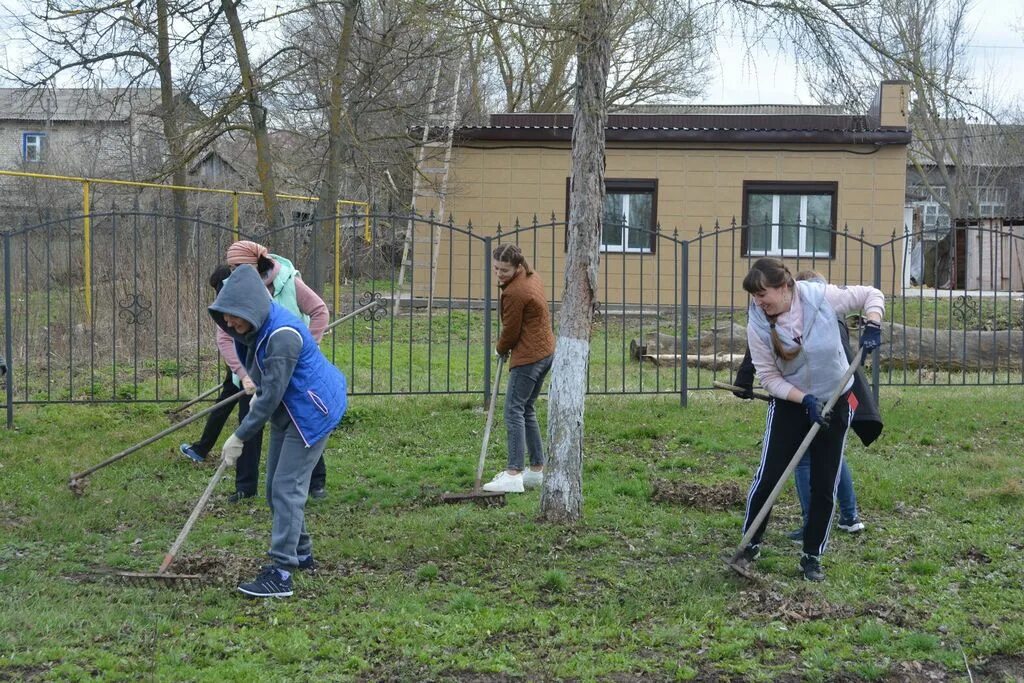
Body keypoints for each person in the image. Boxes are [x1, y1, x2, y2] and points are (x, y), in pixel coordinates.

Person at [735, 257, 884, 582]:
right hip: (791, 404)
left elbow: (872, 294)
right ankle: (750, 545)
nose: (759, 302)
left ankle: (812, 556)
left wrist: (873, 323)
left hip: (836, 400)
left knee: (823, 482)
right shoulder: (758, 323)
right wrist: (804, 400)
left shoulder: (819, 297)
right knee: (770, 476)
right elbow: (769, 377)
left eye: (763, 294)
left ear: (786, 287)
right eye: (755, 296)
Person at [210, 264, 347, 598]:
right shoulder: (257, 327)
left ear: (250, 307)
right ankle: (301, 552)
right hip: (291, 411)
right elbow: (260, 371)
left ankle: (282, 572)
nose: (228, 322)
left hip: (312, 410)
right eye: (224, 315)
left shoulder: (283, 335)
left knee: (287, 488)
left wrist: (239, 436)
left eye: (233, 315)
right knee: (274, 488)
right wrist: (252, 381)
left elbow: (270, 396)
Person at [180, 241, 331, 502]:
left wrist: (307, 347)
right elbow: (225, 337)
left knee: (301, 420)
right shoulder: (233, 289)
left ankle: (315, 483)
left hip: (290, 367)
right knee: (250, 420)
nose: (233, 272)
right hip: (253, 369)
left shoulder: (288, 282)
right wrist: (244, 374)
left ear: (253, 264)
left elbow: (319, 311)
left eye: (237, 266)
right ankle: (245, 487)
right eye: (231, 267)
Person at [482, 244, 556, 494]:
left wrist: (500, 348)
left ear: (516, 266)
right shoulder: (532, 276)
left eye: (504, 269)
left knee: (513, 409)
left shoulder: (514, 292)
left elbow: (511, 331)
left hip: (529, 356)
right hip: (546, 351)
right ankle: (536, 470)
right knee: (526, 408)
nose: (499, 274)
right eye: (496, 268)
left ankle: (513, 473)